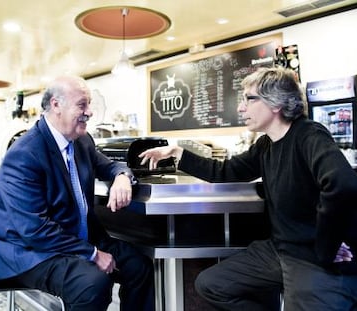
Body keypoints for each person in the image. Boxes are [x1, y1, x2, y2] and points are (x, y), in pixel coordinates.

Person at [139, 67, 357, 311]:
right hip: (279, 251)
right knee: (211, 285)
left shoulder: (309, 134)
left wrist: (327, 244)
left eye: (250, 99)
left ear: (276, 103)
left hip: (314, 260)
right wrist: (177, 153)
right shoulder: (267, 144)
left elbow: (342, 184)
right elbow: (226, 171)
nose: (241, 108)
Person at [0, 76, 155, 311]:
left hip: (73, 238)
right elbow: (34, 230)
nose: (90, 112)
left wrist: (123, 177)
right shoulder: (25, 154)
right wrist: (94, 254)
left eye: (89, 104)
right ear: (56, 105)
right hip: (31, 250)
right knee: (92, 284)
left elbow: (110, 166)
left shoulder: (82, 140)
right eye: (82, 104)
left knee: (140, 267)